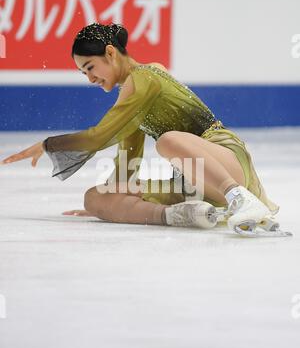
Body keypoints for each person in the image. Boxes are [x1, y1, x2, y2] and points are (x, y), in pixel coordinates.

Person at [0, 22, 279, 233]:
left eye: (90, 67)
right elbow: (128, 154)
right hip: (196, 184)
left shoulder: (144, 78)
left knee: (167, 141)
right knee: (94, 197)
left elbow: (99, 137)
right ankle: (182, 215)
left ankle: (240, 199)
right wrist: (111, 204)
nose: (90, 79)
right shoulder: (130, 93)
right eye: (83, 73)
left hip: (225, 161)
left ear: (110, 53)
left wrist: (48, 145)